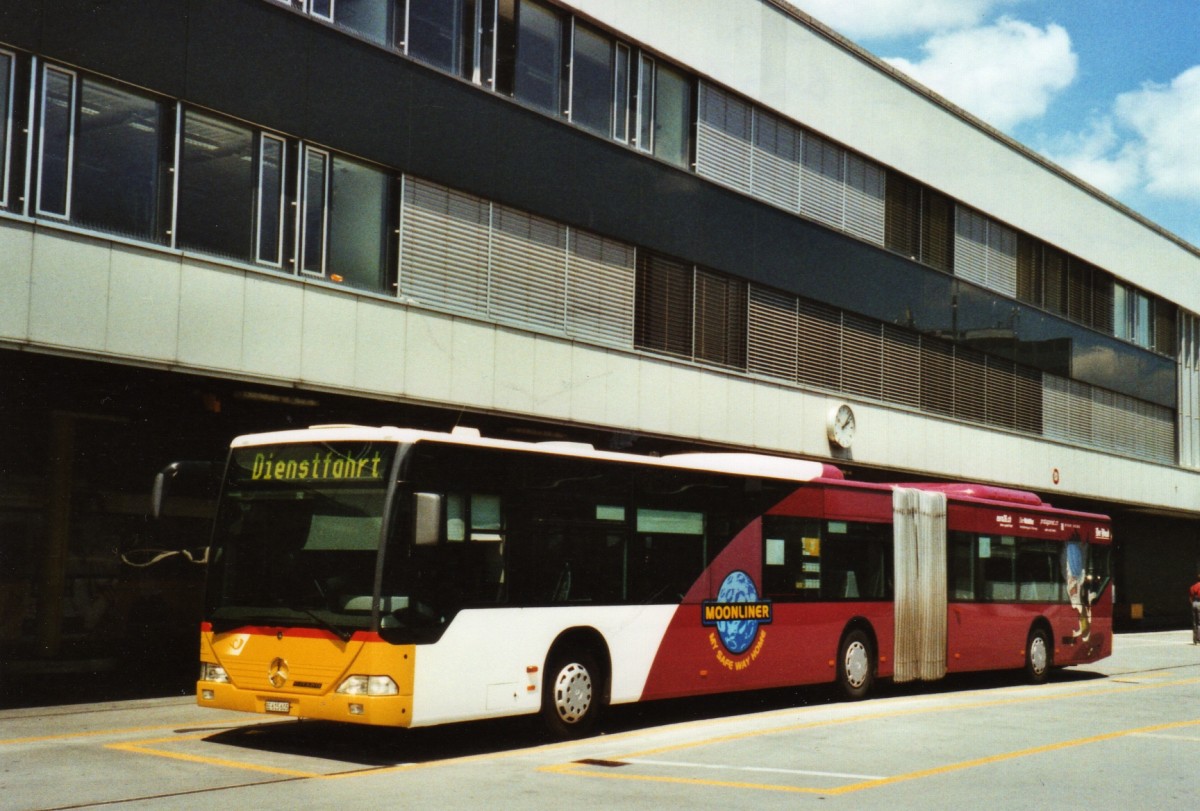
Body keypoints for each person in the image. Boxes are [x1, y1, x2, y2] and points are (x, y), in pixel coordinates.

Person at [1190, 574, 1200, 645]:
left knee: (1195, 622)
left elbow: (1190, 597)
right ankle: (1199, 638)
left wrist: (1193, 603)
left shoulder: (1193, 586)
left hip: (1194, 603)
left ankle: (1194, 639)